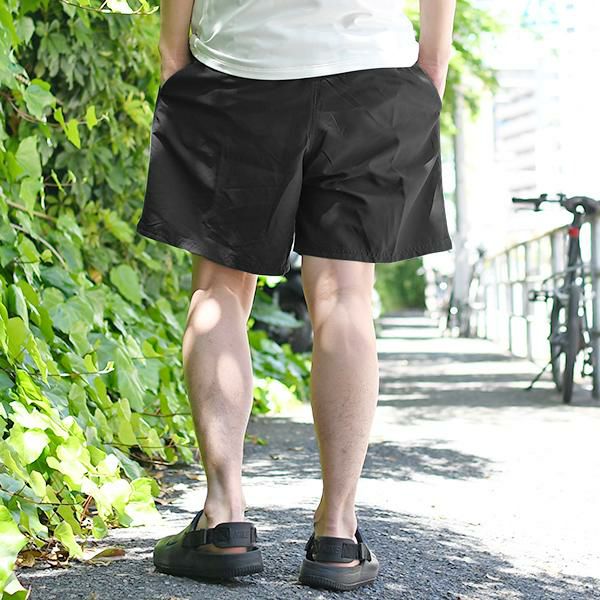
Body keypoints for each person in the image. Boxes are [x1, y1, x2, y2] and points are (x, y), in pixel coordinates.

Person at [137, 0, 456, 591]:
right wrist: (432, 63)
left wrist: (173, 55)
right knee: (345, 297)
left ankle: (223, 518)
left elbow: (176, 42)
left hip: (238, 70)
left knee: (219, 290)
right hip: (371, 74)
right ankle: (337, 534)